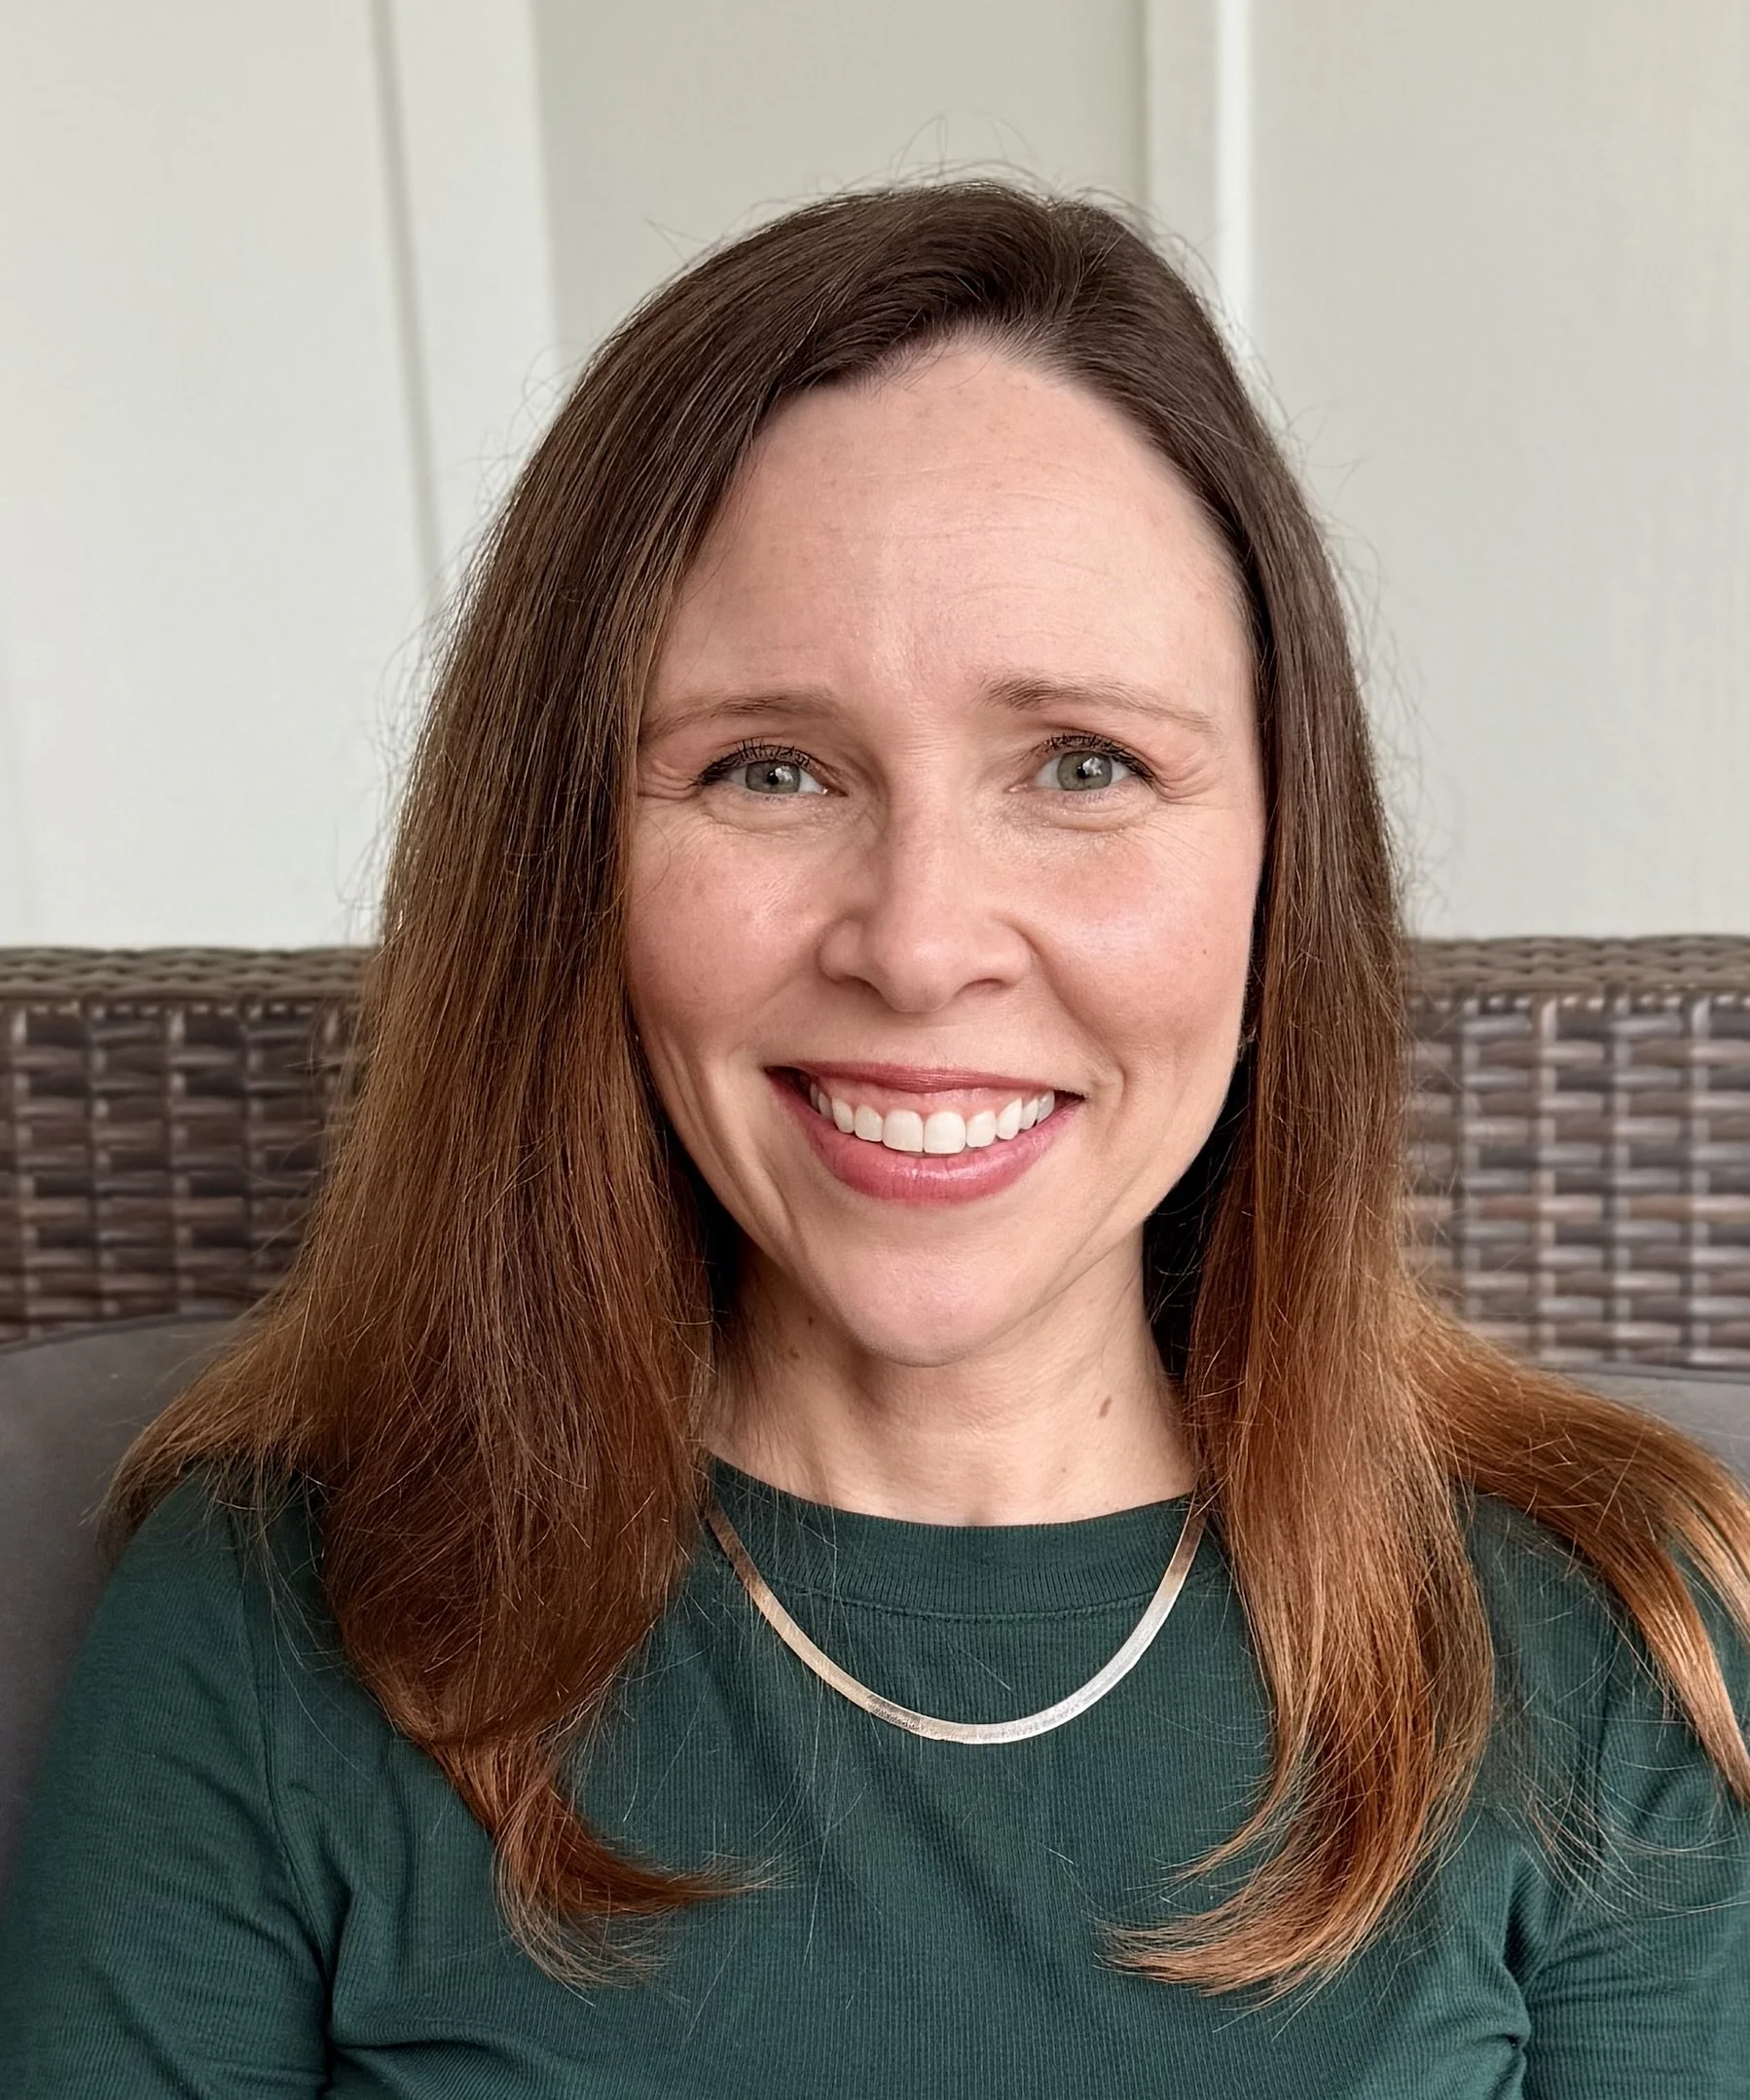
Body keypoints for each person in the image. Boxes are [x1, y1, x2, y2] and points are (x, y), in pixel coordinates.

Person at [2, 182, 1746, 2097]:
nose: (917, 943)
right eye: (769, 766)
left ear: (1278, 861)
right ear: (571, 861)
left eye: (1080, 764)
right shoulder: (270, 1610)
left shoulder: (1610, 1626)